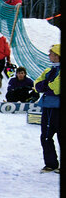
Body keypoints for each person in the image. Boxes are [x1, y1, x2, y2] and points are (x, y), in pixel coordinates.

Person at [34, 44, 60, 173]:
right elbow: (37, 85)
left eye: (51, 53)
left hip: (56, 107)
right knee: (45, 136)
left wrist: (47, 86)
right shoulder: (48, 71)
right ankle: (51, 163)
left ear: (57, 55)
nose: (49, 55)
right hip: (48, 106)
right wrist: (47, 85)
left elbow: (57, 88)